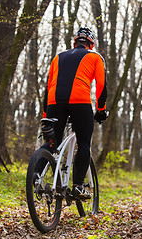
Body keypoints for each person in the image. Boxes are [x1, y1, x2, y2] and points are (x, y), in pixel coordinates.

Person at [37, 27, 107, 199]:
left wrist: (46, 114)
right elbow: (101, 86)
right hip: (80, 102)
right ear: (91, 44)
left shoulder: (57, 57)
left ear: (74, 42)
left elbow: (47, 88)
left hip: (54, 102)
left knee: (53, 142)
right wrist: (101, 110)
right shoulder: (95, 56)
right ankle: (78, 186)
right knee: (84, 143)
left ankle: (35, 175)